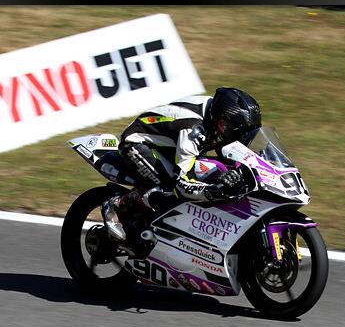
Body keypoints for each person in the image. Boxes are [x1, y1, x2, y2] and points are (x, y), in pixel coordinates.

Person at [102, 87, 262, 241]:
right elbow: (182, 184)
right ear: (222, 121)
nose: (241, 138)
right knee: (169, 187)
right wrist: (214, 191)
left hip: (168, 145)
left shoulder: (214, 115)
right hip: (137, 143)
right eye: (238, 131)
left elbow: (230, 156)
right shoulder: (193, 130)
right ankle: (116, 206)